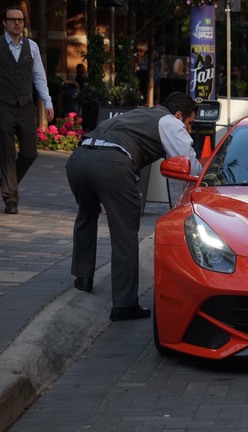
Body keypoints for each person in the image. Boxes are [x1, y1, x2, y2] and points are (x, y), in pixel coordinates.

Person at [66, 92, 203, 321]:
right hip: (111, 165)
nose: (189, 130)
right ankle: (124, 304)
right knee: (125, 232)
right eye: (189, 123)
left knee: (86, 215)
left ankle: (83, 278)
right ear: (179, 115)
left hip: (79, 158)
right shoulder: (170, 121)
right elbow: (189, 164)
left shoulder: (139, 113)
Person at [0, 5, 54, 215]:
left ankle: (6, 182)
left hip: (25, 106)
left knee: (30, 153)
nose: (16, 23)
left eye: (20, 20)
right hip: (3, 106)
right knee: (6, 153)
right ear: (5, 22)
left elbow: (39, 76)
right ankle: (10, 199)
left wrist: (47, 102)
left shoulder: (31, 47)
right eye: (12, 19)